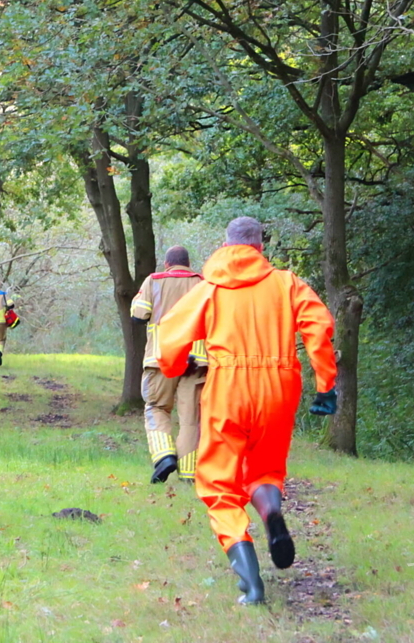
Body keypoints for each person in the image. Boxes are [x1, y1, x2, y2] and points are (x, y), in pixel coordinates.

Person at [155, 217, 338, 604]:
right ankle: (271, 512)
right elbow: (319, 326)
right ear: (260, 245)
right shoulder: (287, 283)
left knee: (219, 483)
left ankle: (251, 580)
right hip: (279, 386)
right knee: (266, 469)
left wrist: (173, 368)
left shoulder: (211, 288)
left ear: (227, 243)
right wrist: (325, 385)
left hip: (228, 388)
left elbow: (169, 334)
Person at [131, 246, 209, 484]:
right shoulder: (204, 283)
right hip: (196, 361)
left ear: (167, 264)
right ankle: (188, 474)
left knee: (156, 407)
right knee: (190, 419)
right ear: (188, 264)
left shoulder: (154, 281)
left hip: (161, 359)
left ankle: (164, 456)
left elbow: (138, 314)